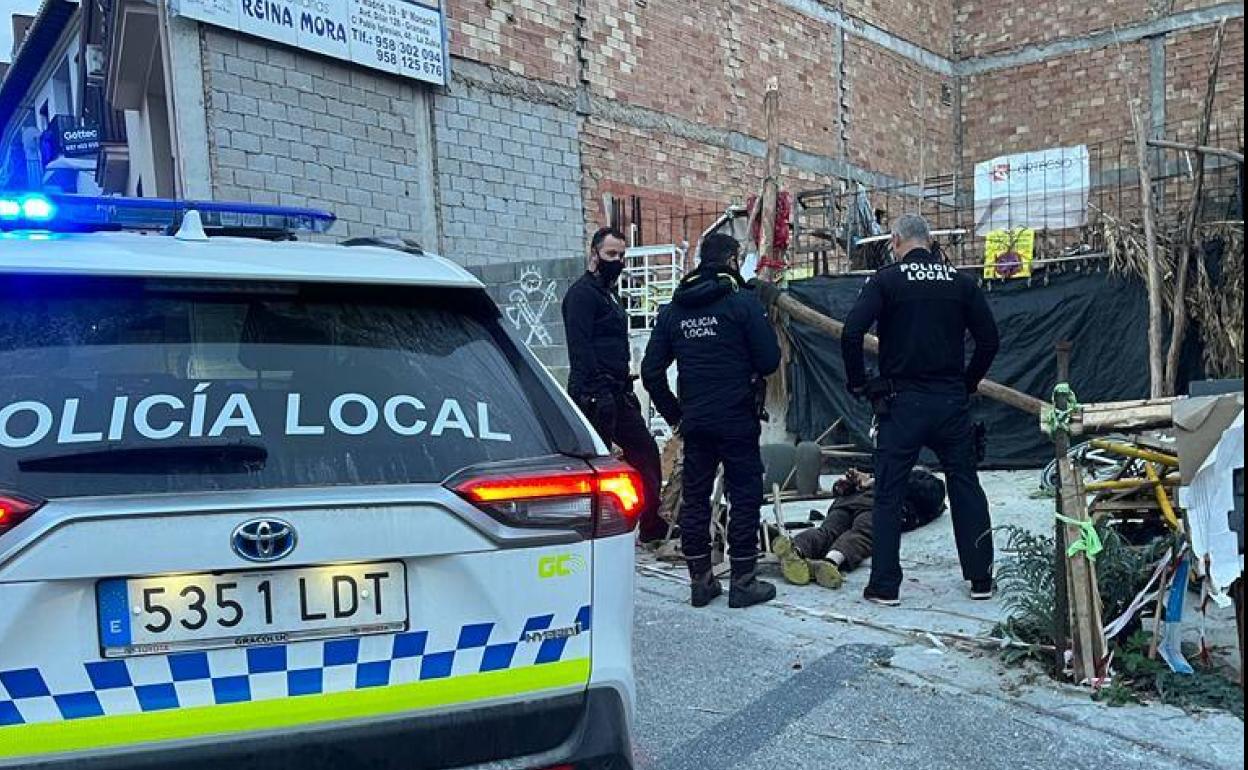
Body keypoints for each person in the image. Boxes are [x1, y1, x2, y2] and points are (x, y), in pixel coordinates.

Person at [841, 213, 1001, 606]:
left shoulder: (886, 280)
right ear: (928, 242)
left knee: (889, 492)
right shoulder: (960, 283)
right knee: (965, 486)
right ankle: (980, 578)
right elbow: (989, 340)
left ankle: (885, 585)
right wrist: (966, 383)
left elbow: (851, 332)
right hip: (950, 401)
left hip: (901, 404)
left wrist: (860, 383)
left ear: (896, 240)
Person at [641, 233, 781, 609]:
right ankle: (743, 582)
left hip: (697, 422)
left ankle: (700, 582)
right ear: (733, 260)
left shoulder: (674, 311)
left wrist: (677, 418)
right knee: (745, 495)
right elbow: (769, 360)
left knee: (696, 499)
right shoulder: (742, 304)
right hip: (737, 419)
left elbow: (650, 372)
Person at [562, 226, 665, 543]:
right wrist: (598, 393)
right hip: (594, 394)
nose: (617, 261)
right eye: (611, 255)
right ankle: (595, 529)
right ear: (594, 254)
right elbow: (580, 349)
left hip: (618, 392)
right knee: (596, 467)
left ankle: (649, 523)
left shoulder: (609, 295)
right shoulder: (581, 295)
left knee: (646, 452)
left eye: (621, 255)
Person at [772, 468, 947, 589]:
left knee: (826, 531)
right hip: (877, 508)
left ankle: (796, 549)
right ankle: (831, 562)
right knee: (859, 536)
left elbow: (844, 486)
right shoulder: (917, 501)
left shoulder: (881, 478)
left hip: (847, 501)